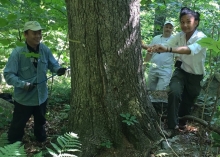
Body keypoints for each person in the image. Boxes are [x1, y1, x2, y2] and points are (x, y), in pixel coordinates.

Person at [144, 7, 207, 137]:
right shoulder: (179, 36)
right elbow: (166, 45)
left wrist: (167, 48)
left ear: (196, 22)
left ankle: (182, 121)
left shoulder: (201, 37)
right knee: (174, 91)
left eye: (188, 22)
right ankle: (171, 126)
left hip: (196, 75)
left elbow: (189, 50)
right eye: (182, 22)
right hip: (181, 71)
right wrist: (153, 48)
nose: (184, 25)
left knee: (187, 101)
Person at [4, 21, 67, 143]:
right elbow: (8, 75)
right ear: (26, 34)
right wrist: (23, 84)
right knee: (17, 126)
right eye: (34, 33)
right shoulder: (17, 53)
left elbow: (52, 64)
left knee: (40, 123)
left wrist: (58, 69)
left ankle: (41, 142)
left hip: (41, 97)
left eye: (39, 32)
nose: (38, 35)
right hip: (24, 100)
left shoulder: (44, 49)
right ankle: (12, 148)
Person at [143, 21, 175, 91]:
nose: (168, 29)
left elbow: (177, 56)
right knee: (150, 90)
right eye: (166, 27)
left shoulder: (175, 40)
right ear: (163, 27)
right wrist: (144, 64)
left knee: (160, 91)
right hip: (153, 68)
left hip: (165, 70)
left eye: (170, 28)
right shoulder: (156, 38)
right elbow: (149, 52)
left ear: (172, 29)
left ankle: (159, 102)